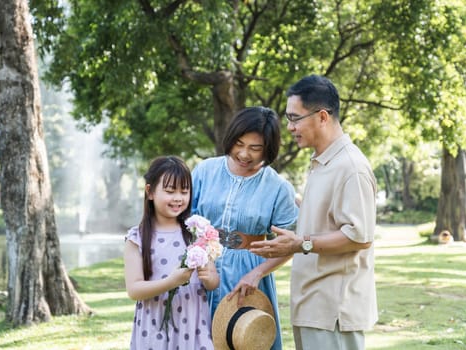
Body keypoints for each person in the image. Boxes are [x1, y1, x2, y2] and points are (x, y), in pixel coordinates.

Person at [250, 75, 378, 350]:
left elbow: (360, 237)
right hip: (311, 306)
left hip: (333, 311)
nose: (290, 127)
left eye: (295, 118)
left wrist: (300, 243)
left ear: (322, 116)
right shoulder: (322, 162)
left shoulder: (350, 167)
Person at [191, 106, 299, 350]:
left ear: (268, 148)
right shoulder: (205, 171)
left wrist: (257, 273)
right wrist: (201, 258)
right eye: (239, 143)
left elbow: (291, 244)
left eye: (255, 148)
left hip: (248, 274)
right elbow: (185, 220)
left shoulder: (278, 188)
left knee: (240, 339)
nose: (243, 153)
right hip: (202, 268)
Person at [124, 155, 219, 349]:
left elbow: (213, 282)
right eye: (170, 191)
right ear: (150, 192)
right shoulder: (137, 238)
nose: (178, 198)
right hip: (154, 326)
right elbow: (134, 290)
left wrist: (208, 277)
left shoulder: (196, 232)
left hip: (193, 325)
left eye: (184, 192)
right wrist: (171, 282)